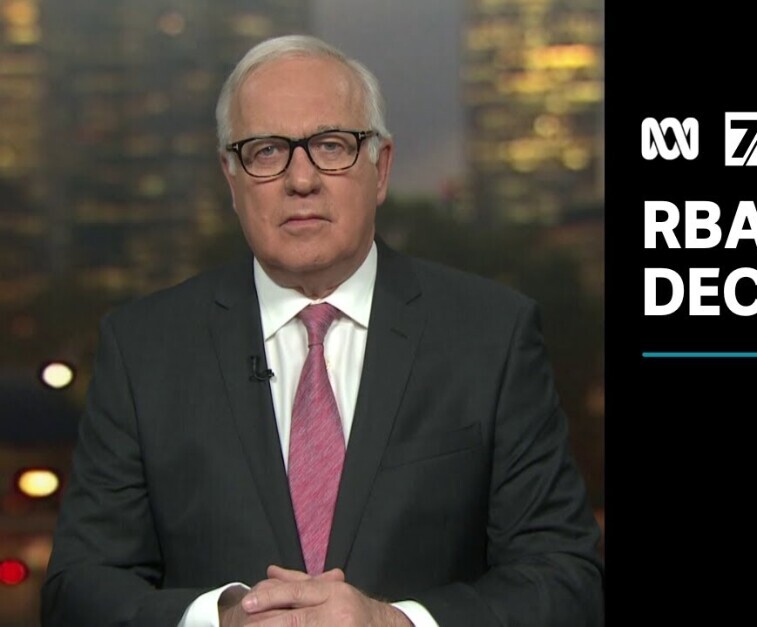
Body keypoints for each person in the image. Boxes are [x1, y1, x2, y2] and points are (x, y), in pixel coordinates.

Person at [41, 34, 604, 626]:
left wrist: (398, 623)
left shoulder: (492, 335)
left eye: (331, 146)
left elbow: (567, 581)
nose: (301, 180)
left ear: (380, 168)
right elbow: (77, 590)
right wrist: (217, 619)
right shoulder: (143, 350)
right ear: (231, 178)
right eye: (266, 152)